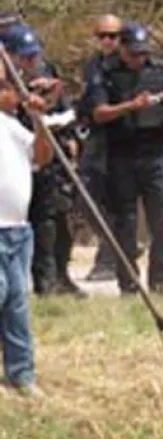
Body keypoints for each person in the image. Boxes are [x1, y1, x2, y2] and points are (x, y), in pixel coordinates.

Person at [90, 22, 163, 296]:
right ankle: (129, 283)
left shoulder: (158, 69)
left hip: (155, 154)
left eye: (143, 53)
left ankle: (162, 281)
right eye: (133, 53)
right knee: (126, 221)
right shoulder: (105, 72)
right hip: (121, 155)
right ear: (121, 49)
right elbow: (98, 113)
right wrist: (130, 106)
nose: (139, 58)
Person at [6, 23, 85, 298]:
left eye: (34, 56)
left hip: (48, 153)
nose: (31, 63)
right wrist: (23, 93)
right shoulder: (6, 81)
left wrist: (51, 103)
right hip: (15, 161)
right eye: (24, 57)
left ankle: (57, 277)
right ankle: (37, 279)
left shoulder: (46, 72)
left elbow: (65, 111)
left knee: (56, 218)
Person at [0, 79, 54, 396]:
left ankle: (22, 373)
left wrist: (38, 120)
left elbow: (41, 156)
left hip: (18, 230)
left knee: (17, 303)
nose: (15, 94)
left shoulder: (11, 126)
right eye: (6, 88)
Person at [79, 14, 123, 282]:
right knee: (86, 199)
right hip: (96, 139)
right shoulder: (93, 65)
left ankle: (110, 257)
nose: (107, 41)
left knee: (115, 202)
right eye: (102, 36)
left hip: (119, 141)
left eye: (113, 35)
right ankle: (116, 247)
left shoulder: (129, 65)